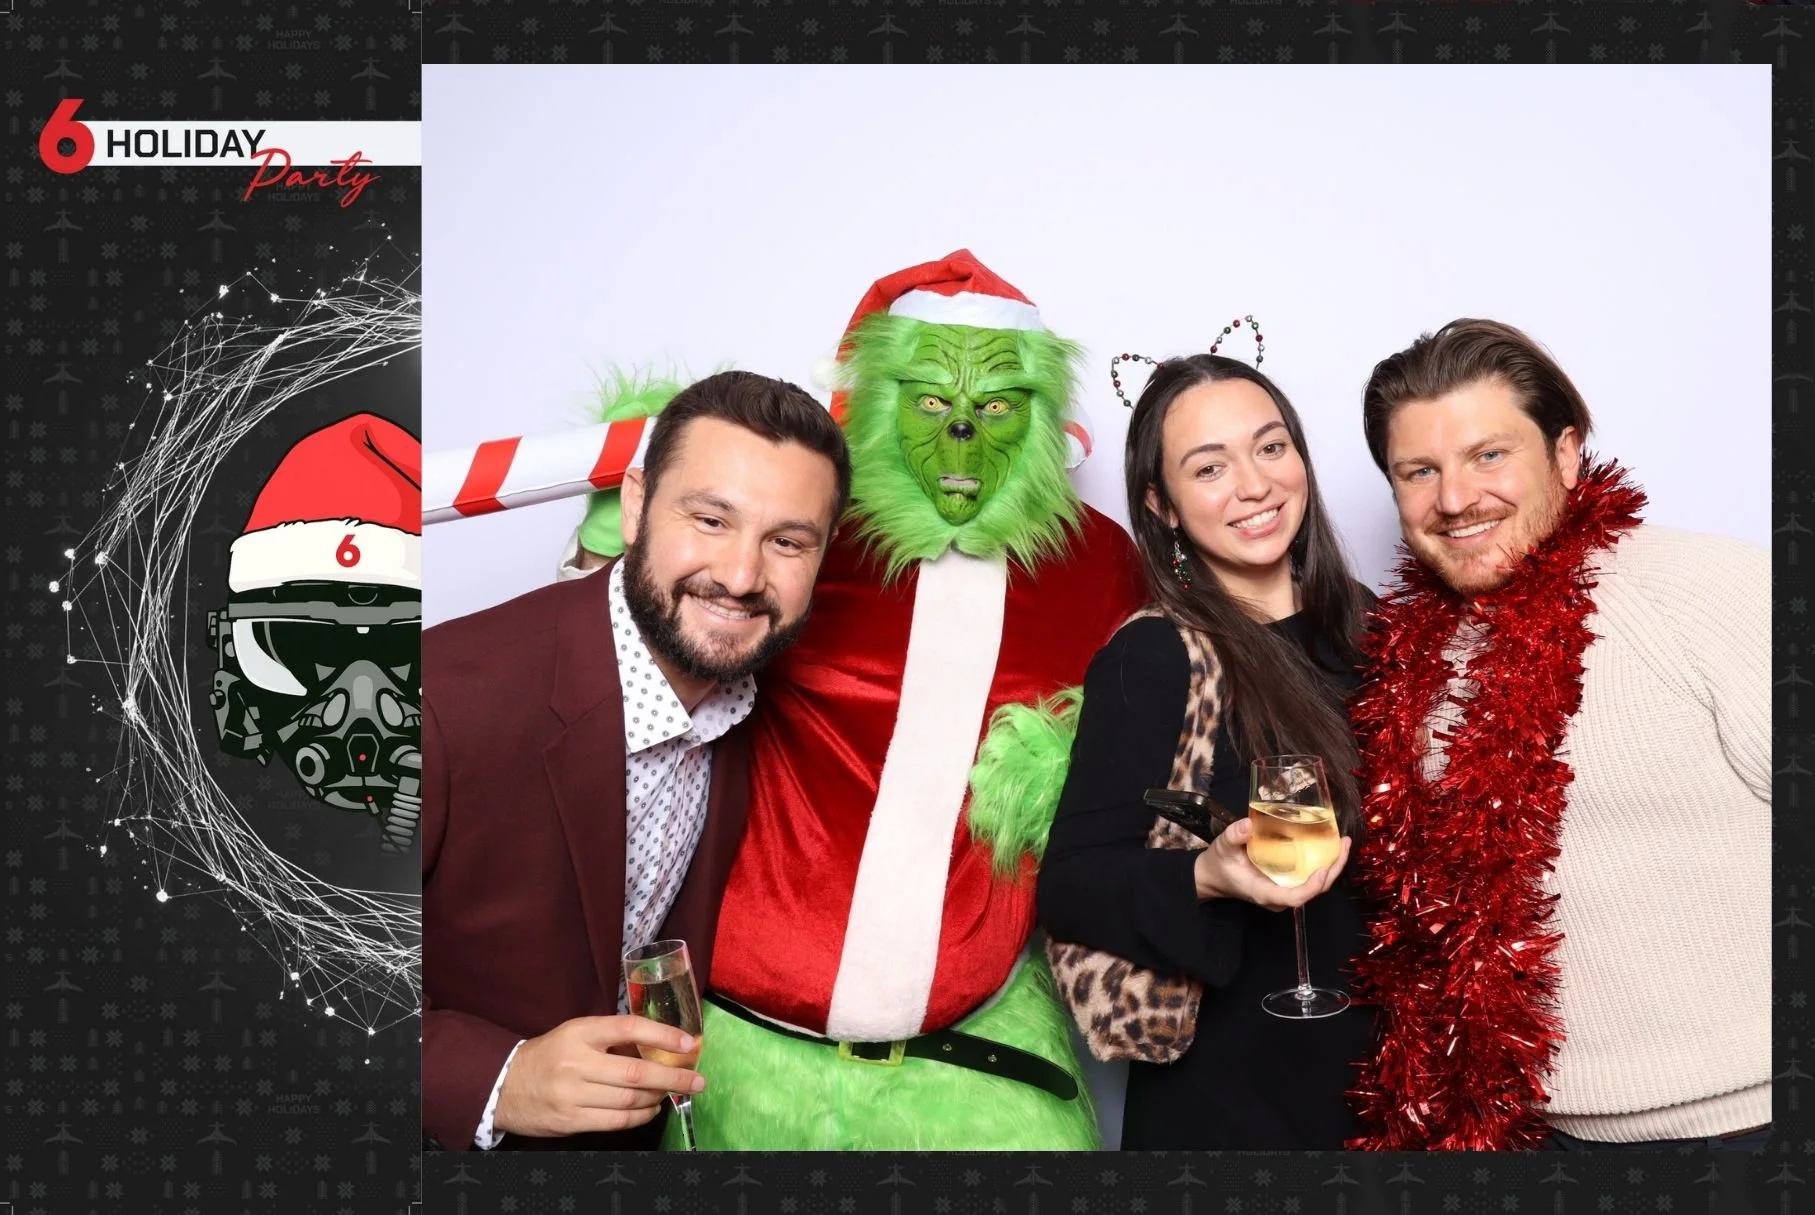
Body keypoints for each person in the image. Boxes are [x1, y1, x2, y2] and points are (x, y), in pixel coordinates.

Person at [555, 250, 1147, 1149]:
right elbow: (628, 677)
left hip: (973, 1061)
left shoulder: (1100, 565)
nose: (958, 437)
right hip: (742, 1056)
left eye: (993, 406)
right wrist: (626, 543)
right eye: (927, 400)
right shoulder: (795, 539)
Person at [1347, 319, 1770, 1152]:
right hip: (1520, 1132)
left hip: (1749, 1120)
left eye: (1488, 455)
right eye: (1418, 471)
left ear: (1566, 453)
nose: (1456, 497)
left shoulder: (1705, 589)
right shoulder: (1408, 661)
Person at [420, 370, 852, 1151]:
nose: (741, 575)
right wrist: (495, 1078)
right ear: (633, 506)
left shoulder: (765, 704)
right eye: (711, 519)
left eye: (786, 541)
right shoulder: (437, 698)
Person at [1037, 351, 1377, 1150]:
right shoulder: (1155, 656)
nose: (1254, 484)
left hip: (1390, 1080)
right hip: (1241, 1102)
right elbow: (1071, 886)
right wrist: (1205, 875)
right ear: (1161, 504)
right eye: (1208, 467)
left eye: (1269, 447)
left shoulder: (1369, 627)